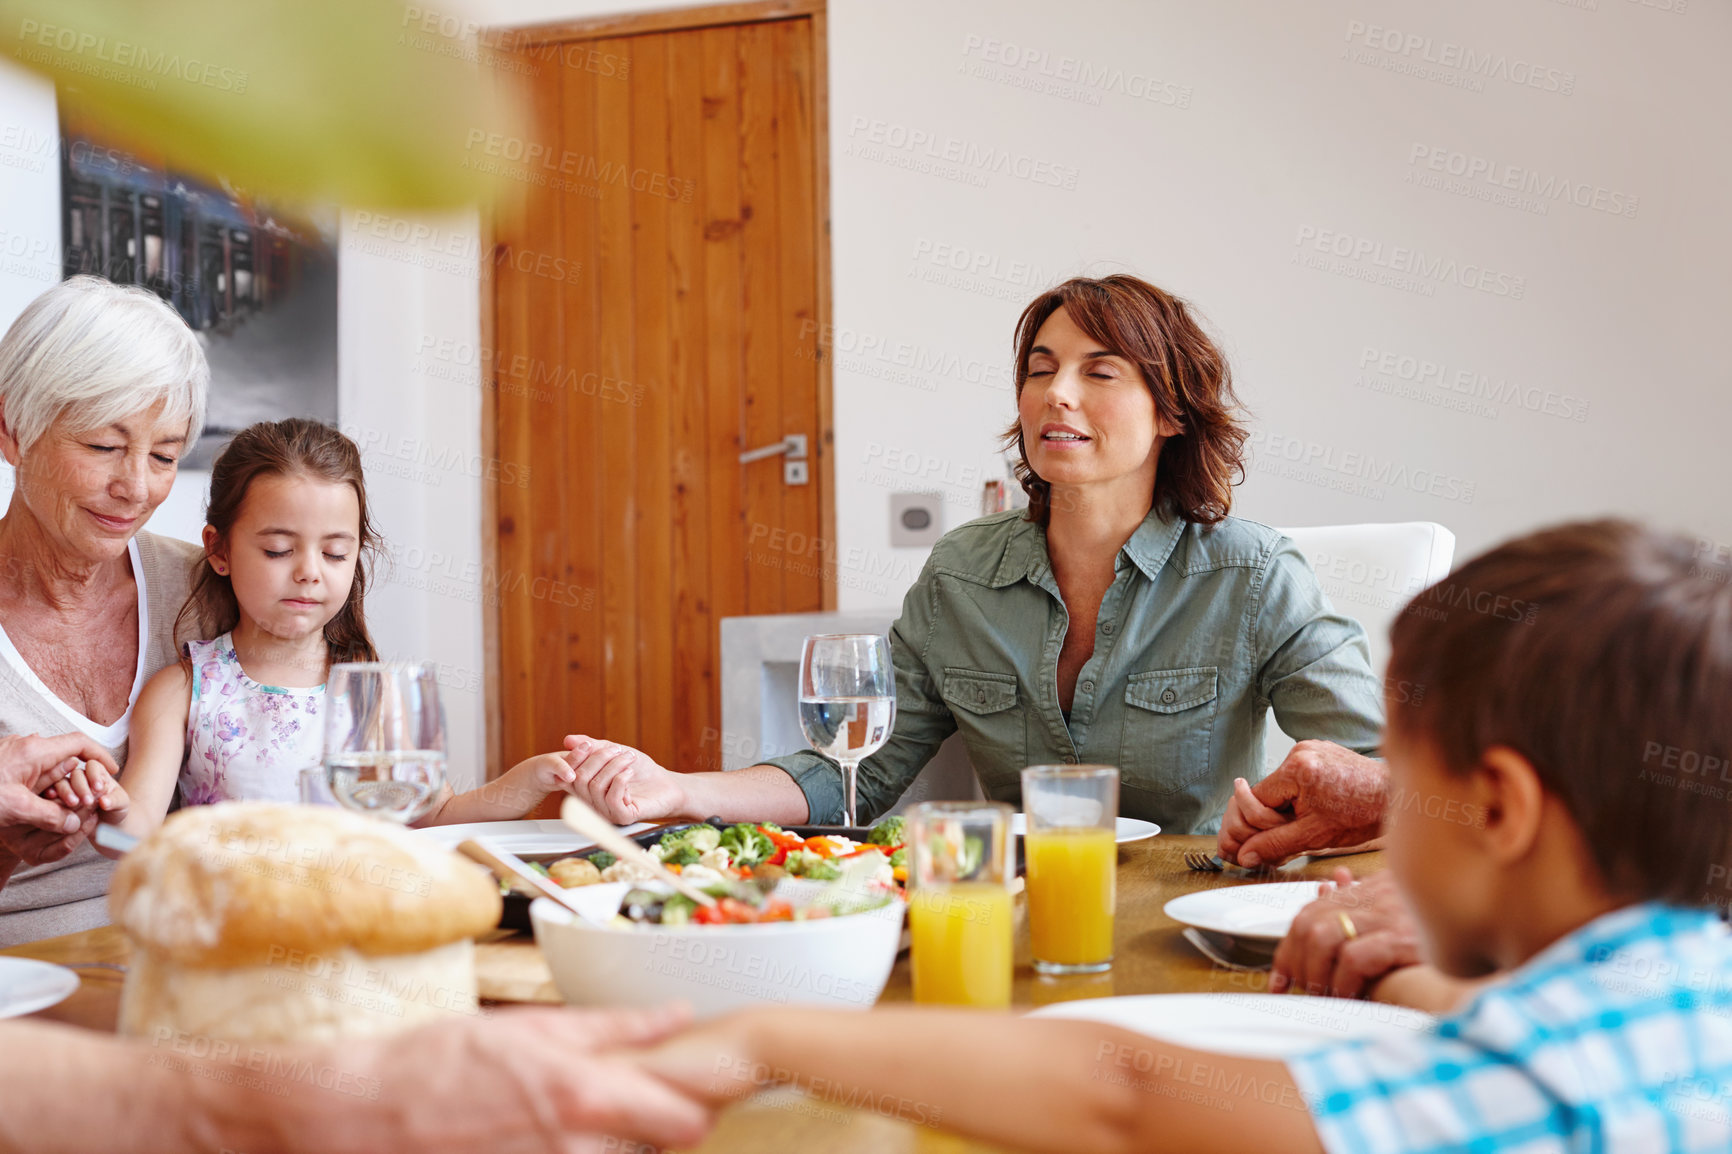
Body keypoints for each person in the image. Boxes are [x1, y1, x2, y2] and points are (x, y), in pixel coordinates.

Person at [636, 520, 1732, 1152]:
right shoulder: (1683, 981)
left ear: (1496, 809)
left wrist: (768, 1034)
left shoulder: (1523, 1079)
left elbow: (1121, 1092)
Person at [560, 275, 1385, 832]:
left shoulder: (1253, 575)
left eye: (1101, 372)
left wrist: (1291, 814)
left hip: (1191, 913)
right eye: (1040, 369)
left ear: (1171, 412)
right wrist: (676, 790)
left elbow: (1382, 773)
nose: (1057, 392)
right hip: (1009, 915)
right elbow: (856, 772)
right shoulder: (961, 575)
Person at [65, 419, 580, 848]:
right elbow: (134, 833)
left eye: (335, 553)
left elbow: (434, 816)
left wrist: (528, 781)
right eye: (278, 551)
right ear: (218, 550)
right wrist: (99, 804)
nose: (311, 572)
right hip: (231, 931)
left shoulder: (371, 693)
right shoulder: (183, 689)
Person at [0, 276, 211, 946]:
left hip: (184, 958)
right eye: (102, 446)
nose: (137, 487)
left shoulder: (205, 591)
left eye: (165, 455)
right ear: (11, 430)